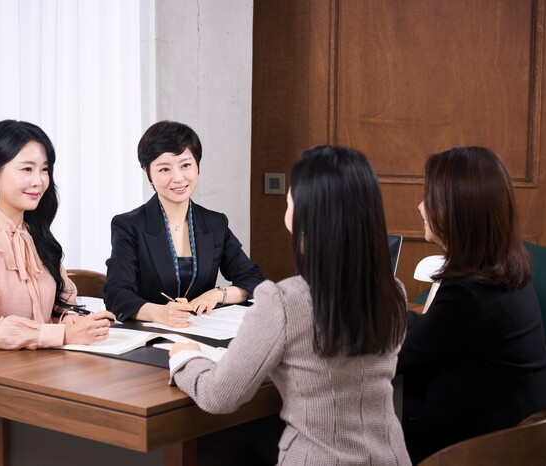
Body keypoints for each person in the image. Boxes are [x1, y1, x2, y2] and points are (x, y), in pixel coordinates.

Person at [168, 145, 411, 465]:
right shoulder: (394, 292)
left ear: (305, 212)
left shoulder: (283, 301)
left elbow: (218, 396)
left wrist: (186, 357)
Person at [0, 120, 114, 444]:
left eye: (44, 170)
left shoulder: (35, 235)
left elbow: (57, 307)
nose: (39, 181)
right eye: (27, 169)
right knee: (86, 422)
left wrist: (72, 321)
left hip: (33, 378)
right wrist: (62, 334)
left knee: (106, 402)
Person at [397, 146, 546, 463]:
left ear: (456, 212)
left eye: (429, 199)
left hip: (483, 451)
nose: (420, 207)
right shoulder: (503, 271)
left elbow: (397, 357)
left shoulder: (467, 294)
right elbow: (434, 332)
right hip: (523, 436)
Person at [104, 120, 264, 325]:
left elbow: (254, 280)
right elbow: (116, 294)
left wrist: (218, 294)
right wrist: (159, 313)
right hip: (151, 335)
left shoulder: (215, 223)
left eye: (186, 165)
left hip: (202, 331)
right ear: (147, 172)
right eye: (164, 169)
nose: (178, 178)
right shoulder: (128, 225)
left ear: (197, 165)